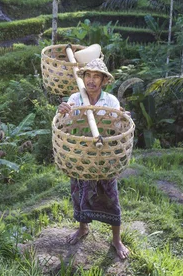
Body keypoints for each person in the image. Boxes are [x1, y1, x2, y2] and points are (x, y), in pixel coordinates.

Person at [57, 58, 130, 260]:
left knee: (110, 195)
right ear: (84, 78)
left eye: (96, 76)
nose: (91, 80)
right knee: (80, 192)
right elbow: (66, 124)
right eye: (88, 76)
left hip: (104, 157)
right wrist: (63, 112)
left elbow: (118, 127)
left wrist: (123, 118)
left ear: (103, 80)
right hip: (81, 156)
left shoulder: (111, 101)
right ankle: (83, 228)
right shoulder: (75, 98)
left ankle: (116, 240)